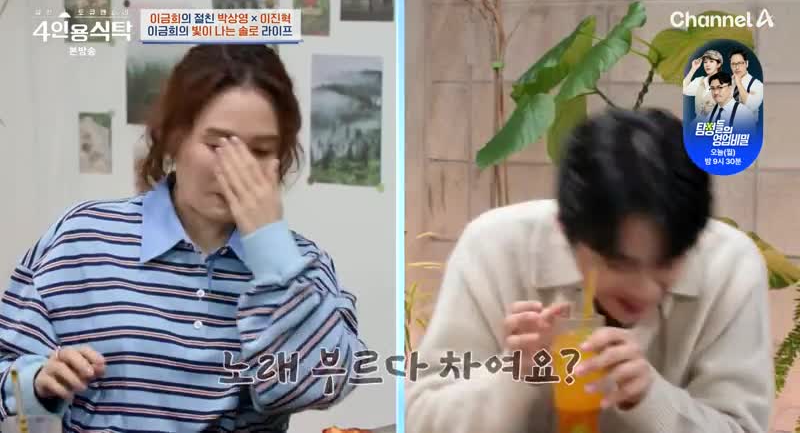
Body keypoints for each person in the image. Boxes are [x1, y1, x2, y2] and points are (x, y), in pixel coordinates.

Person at [0, 45, 366, 431]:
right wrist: (38, 383)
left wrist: (271, 247)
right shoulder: (82, 238)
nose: (235, 168)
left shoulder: (302, 264)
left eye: (260, 151)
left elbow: (320, 385)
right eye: (217, 145)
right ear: (175, 138)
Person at [405, 108, 773, 433]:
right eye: (619, 264)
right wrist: (516, 377)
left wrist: (650, 398)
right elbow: (420, 418)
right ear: (565, 230)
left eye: (667, 263)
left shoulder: (730, 267)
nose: (645, 289)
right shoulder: (494, 248)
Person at [683, 49, 723, 117]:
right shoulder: (699, 81)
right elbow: (684, 90)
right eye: (705, 62)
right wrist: (693, 69)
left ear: (718, 64)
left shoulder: (725, 83)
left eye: (711, 61)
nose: (707, 64)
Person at [729, 48, 764, 119]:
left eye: (740, 63)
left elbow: (751, 105)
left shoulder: (757, 84)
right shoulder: (727, 83)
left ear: (746, 63)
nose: (737, 67)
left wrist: (739, 83)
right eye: (733, 64)